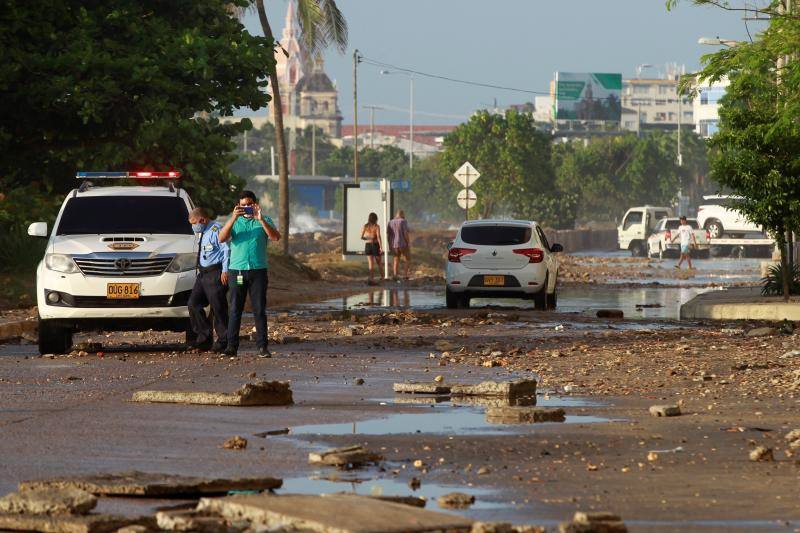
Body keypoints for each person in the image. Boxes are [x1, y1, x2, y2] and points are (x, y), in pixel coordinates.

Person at [218, 191, 281, 358]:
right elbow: (221, 238)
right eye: (243, 204)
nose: (246, 207)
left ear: (255, 204)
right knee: (235, 309)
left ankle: (262, 347)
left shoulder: (264, 220)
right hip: (237, 272)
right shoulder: (235, 222)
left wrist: (260, 219)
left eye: (249, 204)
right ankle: (231, 346)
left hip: (258, 271)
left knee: (259, 309)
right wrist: (232, 218)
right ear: (238, 206)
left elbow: (275, 238)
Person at [187, 207, 230, 353]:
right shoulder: (202, 231)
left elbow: (227, 250)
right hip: (203, 274)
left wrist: (225, 270)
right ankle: (204, 338)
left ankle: (224, 341)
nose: (193, 226)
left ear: (203, 220)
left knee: (218, 308)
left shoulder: (216, 229)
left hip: (215, 272)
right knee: (193, 304)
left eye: (194, 223)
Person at [387, 209, 411, 280]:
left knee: (396, 259)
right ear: (402, 214)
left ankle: (395, 275)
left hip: (394, 244)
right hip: (403, 243)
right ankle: (405, 275)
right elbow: (405, 233)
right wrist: (408, 242)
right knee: (407, 259)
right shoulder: (403, 221)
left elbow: (388, 234)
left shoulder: (390, 222)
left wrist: (389, 244)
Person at [361, 212, 383, 284]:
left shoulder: (365, 226)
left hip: (368, 245)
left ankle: (371, 277)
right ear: (375, 219)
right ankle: (382, 277)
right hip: (375, 245)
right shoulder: (376, 226)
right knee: (379, 263)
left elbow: (361, 237)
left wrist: (368, 237)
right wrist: (381, 247)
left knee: (370, 263)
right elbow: (379, 237)